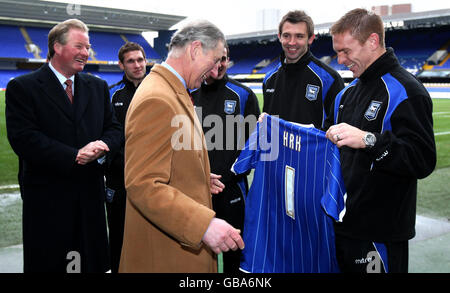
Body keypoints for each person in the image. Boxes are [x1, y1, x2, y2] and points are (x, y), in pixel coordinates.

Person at [119, 20, 245, 273]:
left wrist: (195, 177)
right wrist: (204, 225)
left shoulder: (171, 89)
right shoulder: (158, 98)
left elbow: (169, 158)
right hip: (167, 257)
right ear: (195, 50)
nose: (214, 71)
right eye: (215, 60)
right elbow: (143, 184)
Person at [5, 19, 122, 272]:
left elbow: (114, 128)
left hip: (90, 200)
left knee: (91, 264)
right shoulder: (23, 88)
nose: (85, 53)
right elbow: (24, 139)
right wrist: (74, 155)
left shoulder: (98, 87)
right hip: (48, 202)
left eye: (88, 47)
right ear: (57, 47)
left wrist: (103, 145)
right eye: (79, 46)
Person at [324, 8, 436, 273]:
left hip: (380, 232)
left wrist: (370, 140)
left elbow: (422, 160)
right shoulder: (346, 93)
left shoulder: (406, 91)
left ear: (372, 41)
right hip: (339, 225)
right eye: (337, 51)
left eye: (346, 51)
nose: (340, 60)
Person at [190, 43, 260, 272]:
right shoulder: (188, 93)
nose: (219, 65)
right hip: (194, 188)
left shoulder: (243, 94)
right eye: (215, 58)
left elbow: (254, 143)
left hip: (232, 189)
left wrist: (228, 176)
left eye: (224, 59)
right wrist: (197, 177)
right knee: (196, 255)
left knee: (234, 255)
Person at [105, 42, 147, 273]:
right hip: (118, 179)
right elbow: (105, 134)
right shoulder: (111, 94)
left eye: (140, 59)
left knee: (149, 236)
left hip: (153, 178)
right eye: (131, 61)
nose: (137, 65)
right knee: (118, 235)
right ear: (121, 64)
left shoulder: (158, 90)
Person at [263, 10, 344, 128]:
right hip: (276, 147)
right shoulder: (269, 79)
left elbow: (340, 127)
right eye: (286, 36)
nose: (292, 42)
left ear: (310, 38)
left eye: (299, 36)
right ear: (279, 37)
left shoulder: (329, 79)